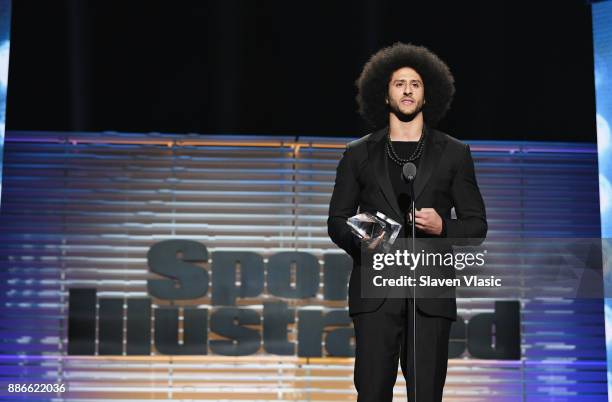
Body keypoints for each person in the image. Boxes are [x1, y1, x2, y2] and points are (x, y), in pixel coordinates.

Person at [327, 42, 487, 402]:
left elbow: (476, 225)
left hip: (430, 294)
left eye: (415, 83)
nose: (407, 90)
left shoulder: (455, 153)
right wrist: (366, 237)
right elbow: (337, 220)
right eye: (399, 83)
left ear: (428, 94)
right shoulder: (357, 154)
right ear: (384, 95)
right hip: (377, 294)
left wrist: (443, 226)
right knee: (371, 394)